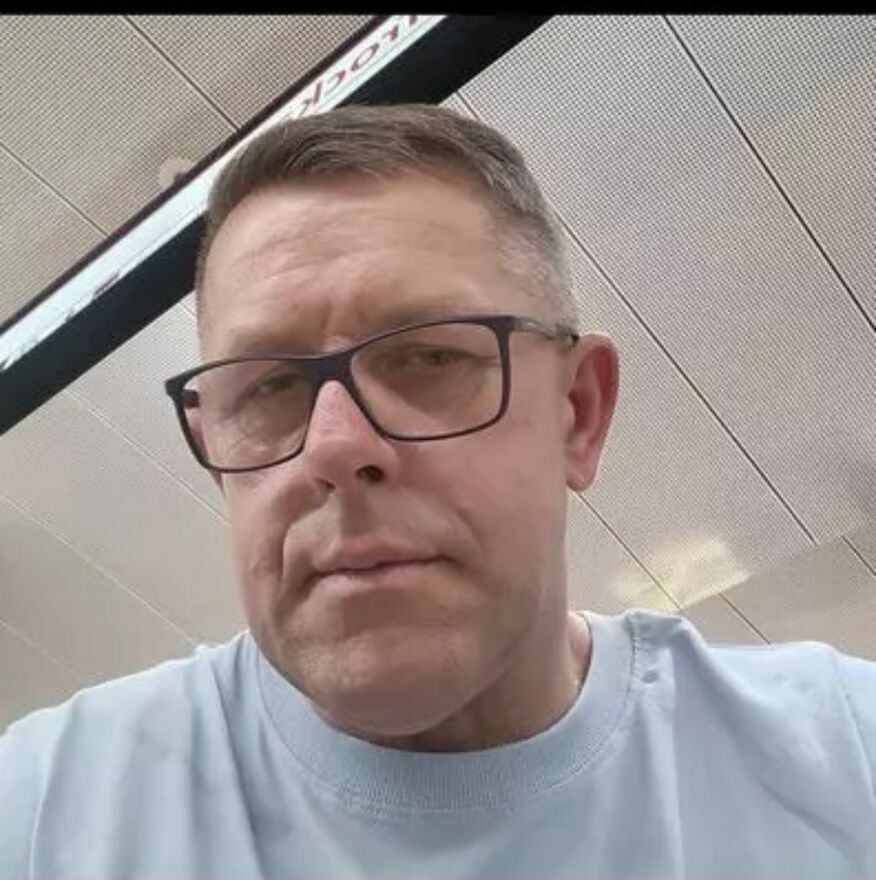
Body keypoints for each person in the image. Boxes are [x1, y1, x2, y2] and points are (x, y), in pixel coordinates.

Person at [1, 103, 874, 879]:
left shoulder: (844, 758)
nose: (337, 447)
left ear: (577, 413)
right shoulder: (46, 813)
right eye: (267, 386)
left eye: (427, 358)